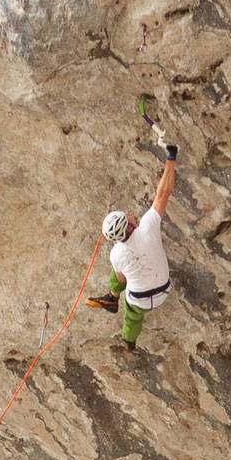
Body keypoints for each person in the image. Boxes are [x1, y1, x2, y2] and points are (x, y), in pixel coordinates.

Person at [89, 144, 178, 349]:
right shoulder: (147, 226)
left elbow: (121, 278)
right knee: (123, 271)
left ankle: (128, 339)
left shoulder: (116, 253)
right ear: (129, 224)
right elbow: (163, 193)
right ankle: (112, 301)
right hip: (164, 291)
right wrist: (170, 158)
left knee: (131, 315)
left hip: (140, 301)